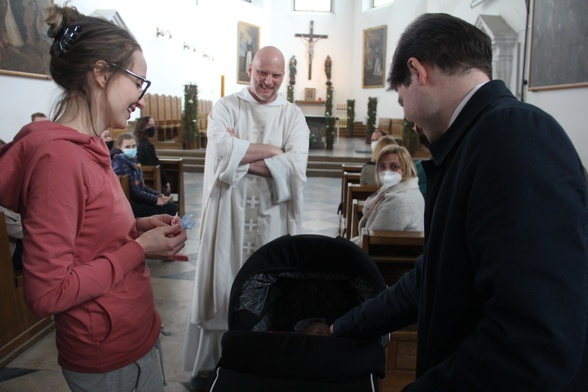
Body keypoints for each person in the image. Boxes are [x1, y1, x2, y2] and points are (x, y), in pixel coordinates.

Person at [332, 13, 588, 391]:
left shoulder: (515, 138)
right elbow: (434, 274)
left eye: (402, 100)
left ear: (417, 71)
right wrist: (344, 327)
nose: (407, 117)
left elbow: (532, 341)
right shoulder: (477, 140)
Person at [0, 5, 187, 392]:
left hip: (134, 333)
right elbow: (47, 292)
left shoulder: (88, 147)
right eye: (138, 82)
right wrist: (137, 249)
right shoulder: (59, 160)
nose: (142, 100)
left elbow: (88, 235)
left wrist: (138, 229)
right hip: (108, 356)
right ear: (101, 74)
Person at [183, 45, 310, 390]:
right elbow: (221, 152)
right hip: (229, 217)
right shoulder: (226, 107)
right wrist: (273, 153)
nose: (268, 81)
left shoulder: (293, 116)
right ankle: (215, 363)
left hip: (273, 217)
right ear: (249, 69)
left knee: (268, 287)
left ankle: (263, 361)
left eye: (276, 75)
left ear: (285, 76)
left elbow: (296, 168)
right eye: (262, 72)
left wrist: (241, 156)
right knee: (224, 282)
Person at [351, 145, 423, 245]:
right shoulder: (407, 190)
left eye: (394, 166)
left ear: (405, 170)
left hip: (386, 257)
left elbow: (368, 241)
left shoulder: (397, 201)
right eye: (382, 166)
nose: (387, 171)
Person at [111, 132, 178, 218]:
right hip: (129, 205)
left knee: (169, 206)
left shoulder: (133, 162)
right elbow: (134, 192)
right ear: (120, 147)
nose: (131, 149)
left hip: (135, 200)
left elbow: (142, 187)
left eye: (134, 146)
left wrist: (157, 195)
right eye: (127, 147)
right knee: (170, 208)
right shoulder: (120, 163)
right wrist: (155, 200)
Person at [133, 116, 171, 195]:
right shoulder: (147, 145)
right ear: (142, 127)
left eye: (153, 125)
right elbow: (155, 164)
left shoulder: (137, 142)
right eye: (149, 126)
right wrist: (166, 181)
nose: (152, 128)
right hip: (149, 182)